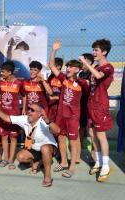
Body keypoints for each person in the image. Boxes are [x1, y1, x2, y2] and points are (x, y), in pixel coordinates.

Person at [0, 96, 60, 187]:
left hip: (49, 149)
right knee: (20, 157)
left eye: (32, 110)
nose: (29, 112)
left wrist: (48, 121)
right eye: (29, 109)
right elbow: (7, 118)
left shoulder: (44, 122)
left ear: (39, 114)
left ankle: (47, 176)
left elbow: (58, 131)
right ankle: (38, 162)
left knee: (44, 148)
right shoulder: (25, 118)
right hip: (34, 147)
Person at [49, 40, 88, 178]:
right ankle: (64, 162)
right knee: (60, 138)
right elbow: (51, 65)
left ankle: (72, 168)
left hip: (73, 117)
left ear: (77, 69)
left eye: (70, 67)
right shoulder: (63, 79)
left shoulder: (82, 83)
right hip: (61, 115)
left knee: (72, 141)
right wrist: (54, 50)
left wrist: (85, 64)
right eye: (67, 66)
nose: (67, 68)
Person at [79, 39, 114, 182]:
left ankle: (106, 165)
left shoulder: (107, 67)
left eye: (96, 50)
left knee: (101, 135)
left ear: (104, 52)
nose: (94, 52)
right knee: (92, 134)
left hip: (100, 106)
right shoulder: (97, 69)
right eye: (93, 50)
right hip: (91, 105)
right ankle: (99, 161)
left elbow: (99, 77)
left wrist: (86, 62)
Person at [0, 61, 24, 169]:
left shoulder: (19, 83)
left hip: (14, 115)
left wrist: (24, 109)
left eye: (3, 72)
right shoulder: (0, 83)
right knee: (4, 137)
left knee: (14, 138)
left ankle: (11, 159)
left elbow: (24, 96)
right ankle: (5, 158)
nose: (1, 73)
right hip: (3, 114)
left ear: (10, 72)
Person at [76, 53, 95, 165]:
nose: (81, 63)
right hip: (81, 105)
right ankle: (77, 154)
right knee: (81, 130)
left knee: (92, 132)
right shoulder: (81, 73)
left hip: (91, 106)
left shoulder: (93, 73)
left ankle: (93, 157)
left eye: (83, 60)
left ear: (90, 62)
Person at [47, 57, 63, 123]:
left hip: (60, 106)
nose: (50, 67)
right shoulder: (50, 77)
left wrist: (54, 97)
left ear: (59, 67)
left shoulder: (63, 78)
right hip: (51, 105)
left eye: (52, 65)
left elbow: (66, 95)